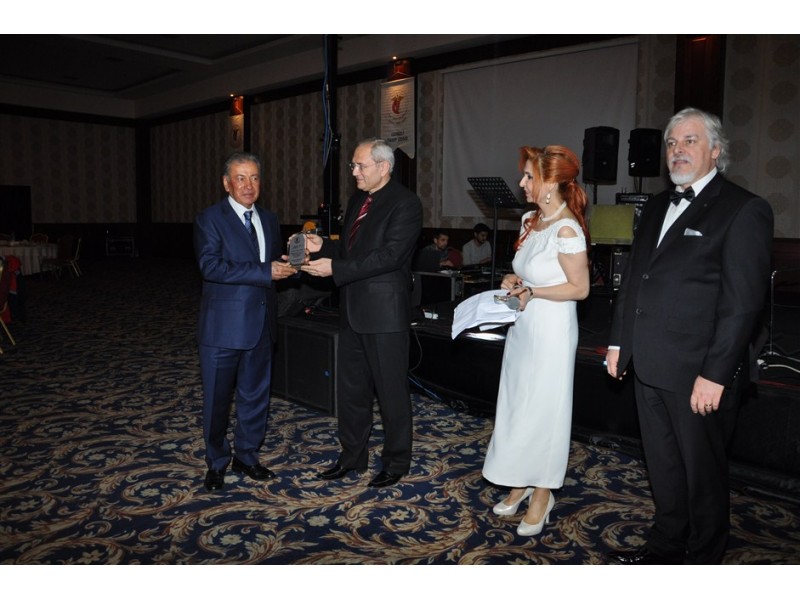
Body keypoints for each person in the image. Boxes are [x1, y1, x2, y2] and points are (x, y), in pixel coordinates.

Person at [605, 108, 774, 564]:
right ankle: (664, 549)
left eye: (690, 141)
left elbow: (742, 305)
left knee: (703, 478)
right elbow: (635, 279)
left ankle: (703, 560)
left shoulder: (743, 208)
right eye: (672, 143)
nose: (677, 150)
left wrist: (716, 374)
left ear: (716, 151)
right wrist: (620, 342)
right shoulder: (656, 205)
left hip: (698, 372)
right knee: (662, 467)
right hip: (647, 364)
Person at [300, 138, 422, 488]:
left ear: (383, 167)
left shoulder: (406, 203)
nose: (353, 171)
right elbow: (352, 250)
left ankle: (396, 462)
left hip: (384, 315)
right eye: (353, 165)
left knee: (390, 393)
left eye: (360, 165)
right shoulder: (358, 200)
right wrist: (324, 246)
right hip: (352, 310)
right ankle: (352, 456)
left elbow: (390, 256)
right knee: (352, 392)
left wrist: (335, 269)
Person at [482, 146, 590, 536]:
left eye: (529, 177)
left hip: (552, 331)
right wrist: (514, 281)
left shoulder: (567, 229)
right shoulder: (530, 220)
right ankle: (521, 480)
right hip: (524, 326)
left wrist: (534, 292)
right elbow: (528, 273)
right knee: (519, 406)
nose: (522, 183)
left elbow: (580, 289)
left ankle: (543, 492)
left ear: (551, 182)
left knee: (546, 410)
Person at [194, 152, 297, 492]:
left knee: (255, 398)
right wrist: (266, 271)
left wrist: (292, 264)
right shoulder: (210, 218)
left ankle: (247, 456)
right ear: (227, 183)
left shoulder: (269, 218)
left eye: (254, 178)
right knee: (217, 401)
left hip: (262, 325)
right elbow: (211, 267)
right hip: (222, 329)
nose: (248, 185)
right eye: (240, 178)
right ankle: (216, 462)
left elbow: (270, 262)